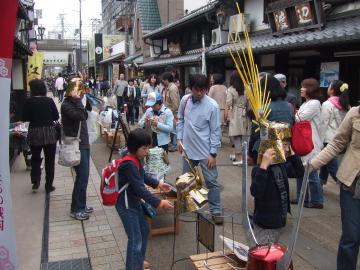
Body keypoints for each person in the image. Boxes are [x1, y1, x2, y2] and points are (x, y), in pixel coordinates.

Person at [116, 128, 173, 270]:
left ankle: (138, 262)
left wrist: (159, 183)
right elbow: (140, 189)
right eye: (144, 148)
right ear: (135, 148)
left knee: (144, 229)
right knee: (135, 239)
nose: (147, 151)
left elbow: (143, 176)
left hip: (133, 202)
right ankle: (133, 266)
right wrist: (159, 202)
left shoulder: (136, 159)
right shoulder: (129, 164)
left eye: (148, 147)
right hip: (126, 205)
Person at [311, 105, 360, 270]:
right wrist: (314, 164)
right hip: (352, 184)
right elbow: (337, 143)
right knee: (351, 236)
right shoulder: (355, 113)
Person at [176, 74, 223, 224]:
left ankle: (216, 210)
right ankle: (190, 207)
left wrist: (213, 153)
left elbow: (216, 131)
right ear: (191, 88)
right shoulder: (185, 100)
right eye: (197, 90)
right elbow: (180, 119)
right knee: (188, 181)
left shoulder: (212, 106)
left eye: (203, 90)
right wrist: (179, 139)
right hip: (188, 150)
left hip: (205, 152)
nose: (200, 93)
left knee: (211, 182)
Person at [251, 145, 304, 244]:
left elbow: (299, 172)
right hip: (265, 224)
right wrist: (263, 166)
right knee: (265, 253)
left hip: (279, 220)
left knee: (272, 251)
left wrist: (292, 154)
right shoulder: (258, 170)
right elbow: (256, 191)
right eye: (281, 146)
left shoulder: (280, 166)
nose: (284, 149)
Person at [61, 79, 93, 220]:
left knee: (84, 177)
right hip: (77, 145)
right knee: (82, 177)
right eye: (80, 90)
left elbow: (87, 113)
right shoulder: (67, 105)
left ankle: (81, 204)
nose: (81, 93)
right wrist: (78, 101)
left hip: (83, 143)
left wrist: (85, 98)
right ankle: (76, 209)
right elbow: (80, 115)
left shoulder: (76, 103)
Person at [22, 79, 59, 192]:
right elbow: (56, 116)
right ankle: (48, 185)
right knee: (50, 160)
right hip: (49, 133)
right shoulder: (49, 100)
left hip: (35, 133)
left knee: (35, 158)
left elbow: (24, 118)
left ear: (33, 90)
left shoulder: (28, 102)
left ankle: (36, 181)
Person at [248, 75, 294, 163]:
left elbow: (255, 132)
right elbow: (291, 124)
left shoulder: (264, 108)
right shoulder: (289, 106)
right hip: (284, 148)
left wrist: (250, 152)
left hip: (265, 149)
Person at [294, 78, 324, 209]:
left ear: (310, 89)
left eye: (304, 87)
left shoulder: (314, 103)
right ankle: (302, 198)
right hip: (305, 141)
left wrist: (293, 113)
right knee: (301, 170)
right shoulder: (307, 103)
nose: (301, 89)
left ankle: (317, 200)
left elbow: (299, 118)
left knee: (310, 171)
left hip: (311, 142)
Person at [320, 80, 349, 185]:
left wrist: (319, 141)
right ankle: (321, 182)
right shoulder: (345, 105)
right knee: (325, 162)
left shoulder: (327, 104)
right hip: (339, 138)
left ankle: (345, 186)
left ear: (332, 90)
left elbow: (324, 124)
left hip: (328, 139)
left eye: (329, 86)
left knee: (332, 167)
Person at [225, 71, 251, 165]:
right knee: (245, 136)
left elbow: (229, 103)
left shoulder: (231, 90)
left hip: (235, 113)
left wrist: (227, 116)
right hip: (245, 113)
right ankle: (245, 157)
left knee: (236, 136)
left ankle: (239, 157)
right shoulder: (248, 88)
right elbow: (250, 102)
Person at [162, 72, 180, 152]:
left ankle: (175, 145)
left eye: (163, 80)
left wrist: (172, 112)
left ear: (166, 80)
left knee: (175, 129)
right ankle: (172, 144)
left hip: (173, 112)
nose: (162, 81)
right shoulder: (169, 87)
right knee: (172, 128)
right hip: (169, 111)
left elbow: (175, 103)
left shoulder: (172, 88)